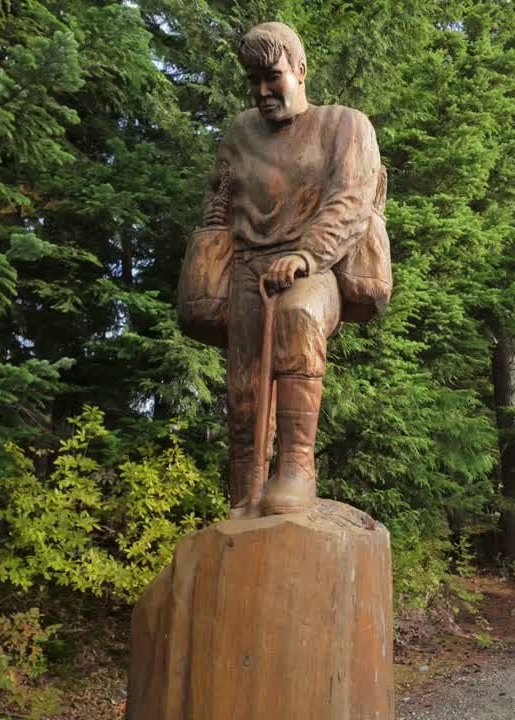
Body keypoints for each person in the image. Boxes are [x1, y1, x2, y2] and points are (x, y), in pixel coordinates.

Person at [188, 22, 383, 518]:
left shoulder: (345, 125)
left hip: (315, 268)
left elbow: (351, 200)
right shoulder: (239, 132)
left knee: (298, 319)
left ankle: (296, 467)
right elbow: (220, 199)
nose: (261, 91)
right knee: (244, 390)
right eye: (252, 80)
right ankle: (243, 492)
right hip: (249, 271)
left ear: (300, 70)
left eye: (271, 77)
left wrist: (306, 256)